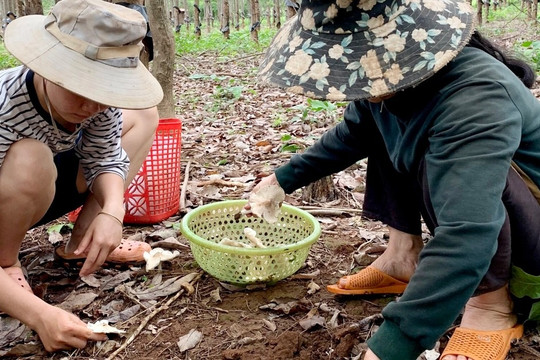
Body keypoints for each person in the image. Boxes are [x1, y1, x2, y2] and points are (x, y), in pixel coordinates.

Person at [251, 0, 540, 359]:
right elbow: (351, 135)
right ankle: (402, 255)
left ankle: (493, 305)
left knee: (448, 163)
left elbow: (468, 231)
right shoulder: (387, 84)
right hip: (480, 220)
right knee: (386, 133)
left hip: (527, 236)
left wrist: (393, 345)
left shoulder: (476, 96)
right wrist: (280, 181)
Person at [0, 0, 163, 352]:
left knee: (143, 114)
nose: (93, 106)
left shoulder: (98, 103)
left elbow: (105, 156)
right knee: (32, 157)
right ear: (46, 67)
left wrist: (112, 212)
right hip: (13, 191)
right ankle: (7, 260)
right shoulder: (5, 107)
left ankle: (82, 243)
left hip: (52, 185)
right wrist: (40, 315)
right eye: (83, 88)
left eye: (105, 91)